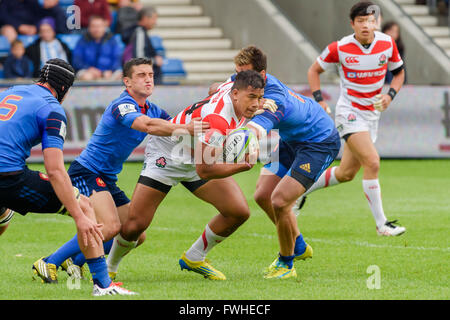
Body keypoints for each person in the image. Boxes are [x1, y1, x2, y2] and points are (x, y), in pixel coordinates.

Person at [35, 57, 208, 281]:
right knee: (109, 226)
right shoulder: (122, 105)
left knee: (135, 232)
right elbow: (146, 125)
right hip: (87, 171)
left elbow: (173, 123)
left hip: (106, 178)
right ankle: (49, 261)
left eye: (151, 75)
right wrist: (185, 129)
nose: (148, 80)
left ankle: (75, 261)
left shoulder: (154, 109)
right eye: (141, 75)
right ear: (127, 81)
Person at [106, 70, 265, 281]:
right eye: (251, 97)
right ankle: (109, 268)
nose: (256, 104)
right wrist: (243, 165)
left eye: (260, 97)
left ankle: (194, 257)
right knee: (137, 224)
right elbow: (205, 170)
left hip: (197, 153)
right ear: (235, 94)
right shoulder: (218, 121)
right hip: (169, 154)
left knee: (237, 212)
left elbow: (215, 87)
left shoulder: (231, 89)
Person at [0, 58, 134, 296]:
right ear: (64, 88)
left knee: (3, 217)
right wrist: (78, 215)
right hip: (8, 176)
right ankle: (103, 285)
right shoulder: (52, 109)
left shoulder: (13, 90)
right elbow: (55, 170)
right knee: (84, 205)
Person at [214, 46, 340, 279]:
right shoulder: (245, 81)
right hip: (291, 141)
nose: (238, 79)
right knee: (262, 195)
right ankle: (299, 246)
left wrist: (232, 142)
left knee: (280, 201)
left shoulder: (275, 99)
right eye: (237, 73)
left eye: (244, 74)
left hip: (318, 143)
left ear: (262, 75)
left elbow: (253, 131)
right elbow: (218, 90)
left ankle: (286, 264)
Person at [301, 1, 406, 236]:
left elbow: (399, 72)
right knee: (373, 162)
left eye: (371, 21)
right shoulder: (339, 47)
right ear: (352, 24)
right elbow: (313, 70)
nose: (367, 26)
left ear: (376, 23)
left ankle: (300, 190)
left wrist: (390, 95)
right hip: (349, 112)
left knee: (346, 173)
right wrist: (319, 100)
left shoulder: (387, 43)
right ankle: (382, 225)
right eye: (361, 21)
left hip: (372, 114)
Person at [72, 15, 123, 80]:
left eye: (99, 26)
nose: (96, 29)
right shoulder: (82, 40)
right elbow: (76, 61)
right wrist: (89, 69)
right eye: (93, 26)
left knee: (120, 75)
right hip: (88, 71)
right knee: (87, 77)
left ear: (104, 27)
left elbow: (117, 59)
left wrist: (111, 70)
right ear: (89, 27)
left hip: (109, 71)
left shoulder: (112, 40)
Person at [121, 7, 163, 85]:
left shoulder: (139, 31)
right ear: (145, 18)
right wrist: (155, 61)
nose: (155, 22)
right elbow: (138, 57)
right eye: (153, 19)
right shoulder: (140, 32)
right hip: (142, 80)